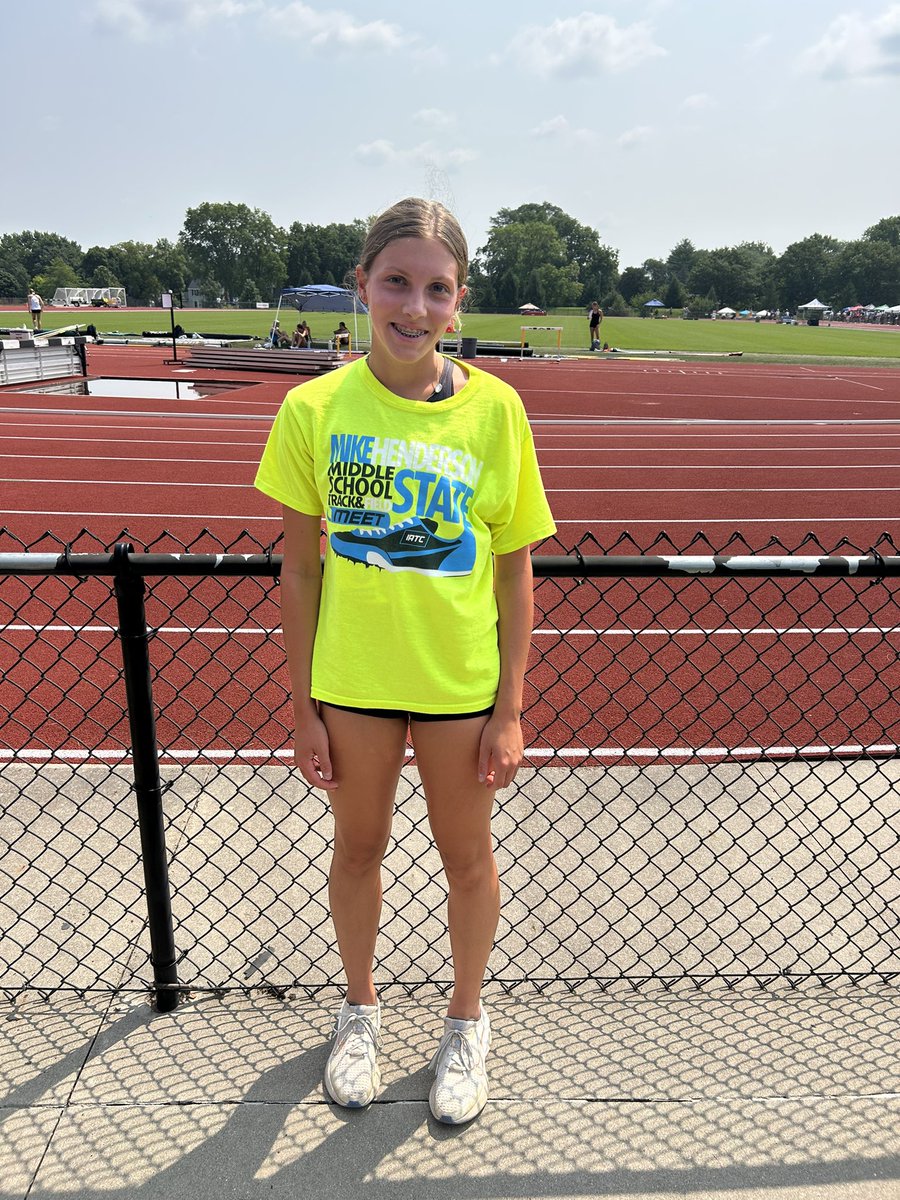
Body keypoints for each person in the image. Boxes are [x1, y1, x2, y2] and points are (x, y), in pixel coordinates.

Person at [255, 196, 556, 1125]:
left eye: (435, 288)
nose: (413, 307)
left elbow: (515, 573)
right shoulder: (312, 409)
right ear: (362, 285)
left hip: (460, 686)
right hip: (353, 684)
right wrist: (302, 704)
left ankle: (466, 1023)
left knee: (468, 859)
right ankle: (359, 1014)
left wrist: (509, 707)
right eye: (396, 282)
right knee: (358, 851)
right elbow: (300, 569)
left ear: (459, 303)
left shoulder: (498, 411)